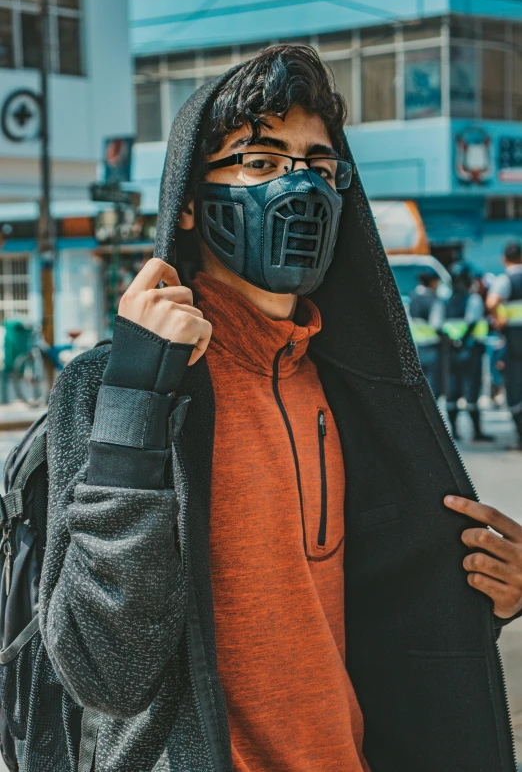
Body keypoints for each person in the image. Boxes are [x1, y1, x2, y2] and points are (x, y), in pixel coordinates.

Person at [23, 46, 522, 771]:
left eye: (320, 167)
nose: (300, 187)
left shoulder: (352, 389)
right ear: (189, 200)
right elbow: (106, 673)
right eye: (260, 161)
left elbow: (390, 612)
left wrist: (486, 594)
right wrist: (135, 400)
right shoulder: (113, 386)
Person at [443, 261, 493, 442]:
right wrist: (463, 341)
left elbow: (439, 325)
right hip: (470, 351)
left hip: (451, 353)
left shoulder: (446, 300)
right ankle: (476, 432)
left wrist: (453, 342)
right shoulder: (472, 299)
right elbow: (472, 323)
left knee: (453, 391)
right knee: (471, 391)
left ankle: (454, 432)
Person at [486, 241, 522, 449]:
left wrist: (499, 318)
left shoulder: (505, 280)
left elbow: (491, 303)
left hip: (515, 344)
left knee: (516, 389)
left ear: (504, 260)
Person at [409, 269, 445, 397]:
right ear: (433, 282)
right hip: (433, 348)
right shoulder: (433, 300)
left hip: (417, 348)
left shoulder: (412, 297)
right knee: (433, 389)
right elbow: (436, 324)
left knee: (420, 388)